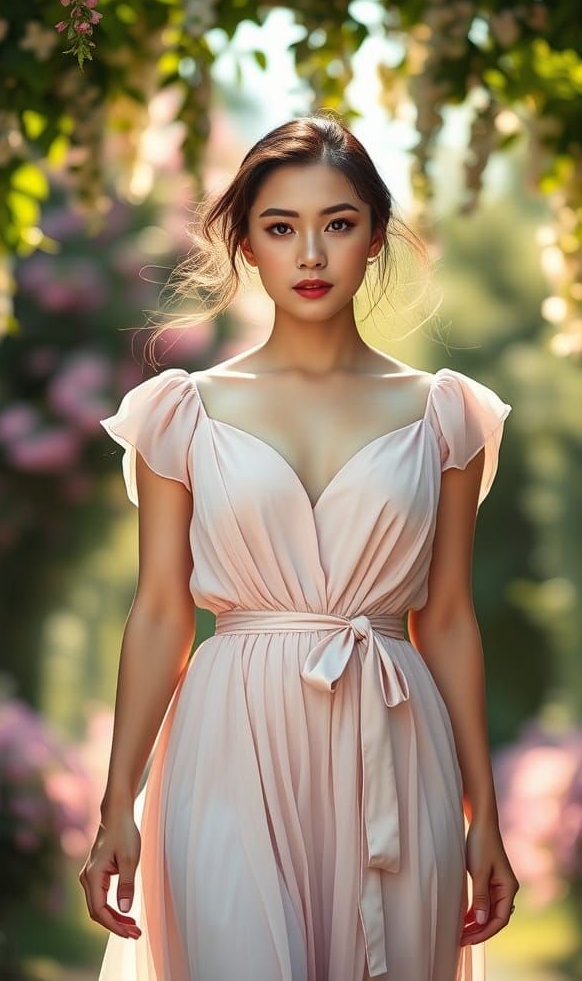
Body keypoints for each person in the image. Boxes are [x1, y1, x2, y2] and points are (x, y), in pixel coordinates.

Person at [82, 112, 519, 981]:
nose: (311, 255)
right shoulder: (181, 411)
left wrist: (486, 817)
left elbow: (453, 620)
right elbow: (162, 613)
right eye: (282, 228)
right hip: (226, 742)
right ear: (247, 244)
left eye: (338, 224)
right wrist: (115, 806)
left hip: (394, 740)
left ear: (376, 237)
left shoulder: (446, 414)